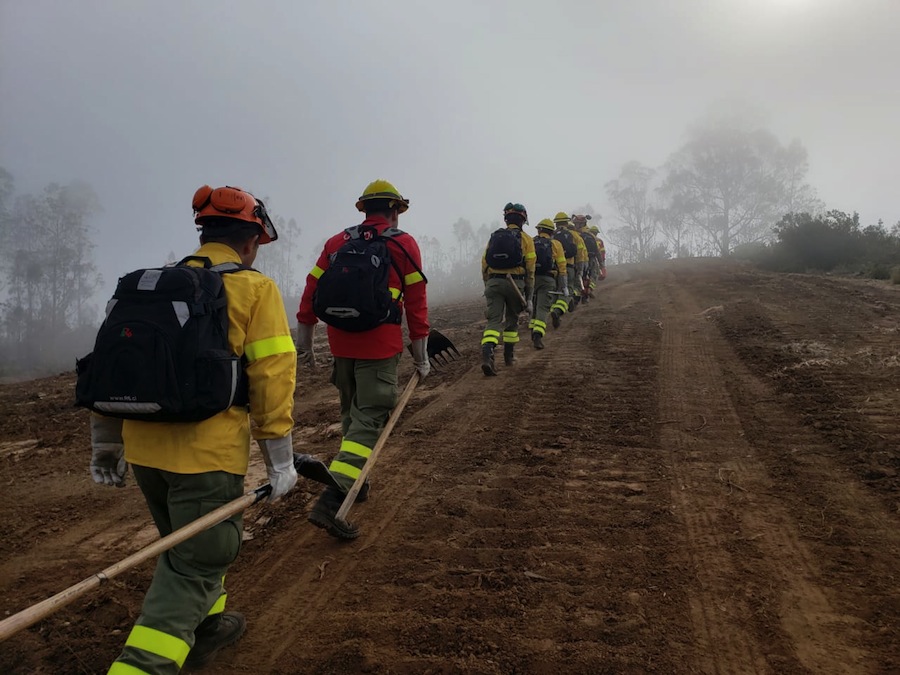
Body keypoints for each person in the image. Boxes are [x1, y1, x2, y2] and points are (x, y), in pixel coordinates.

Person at [90, 185, 298, 673]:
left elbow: (106, 369)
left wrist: (106, 443)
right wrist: (281, 460)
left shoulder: (145, 287)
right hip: (207, 460)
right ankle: (141, 665)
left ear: (203, 232)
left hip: (145, 453)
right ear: (251, 242)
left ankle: (208, 629)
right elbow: (272, 377)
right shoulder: (254, 289)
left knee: (185, 549)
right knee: (197, 564)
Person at [296, 179, 430, 539]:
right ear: (393, 210)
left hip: (341, 343)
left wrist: (306, 341)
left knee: (352, 413)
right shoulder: (403, 243)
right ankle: (334, 497)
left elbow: (311, 290)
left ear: (364, 209)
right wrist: (421, 354)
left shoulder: (337, 242)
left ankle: (360, 479)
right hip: (380, 345)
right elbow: (416, 300)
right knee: (370, 418)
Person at [480, 202, 536, 375]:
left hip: (493, 282)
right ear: (523, 220)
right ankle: (509, 356)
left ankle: (488, 354)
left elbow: (484, 263)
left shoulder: (494, 236)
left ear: (506, 219)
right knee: (512, 319)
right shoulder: (526, 239)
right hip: (515, 283)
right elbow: (531, 269)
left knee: (493, 321)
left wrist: (488, 285)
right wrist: (528, 297)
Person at [529, 218, 568, 349]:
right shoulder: (556, 244)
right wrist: (564, 286)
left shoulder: (531, 242)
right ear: (552, 232)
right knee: (542, 307)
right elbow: (562, 267)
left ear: (539, 230)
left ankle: (531, 327)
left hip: (532, 278)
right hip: (548, 279)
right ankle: (537, 334)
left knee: (533, 304)